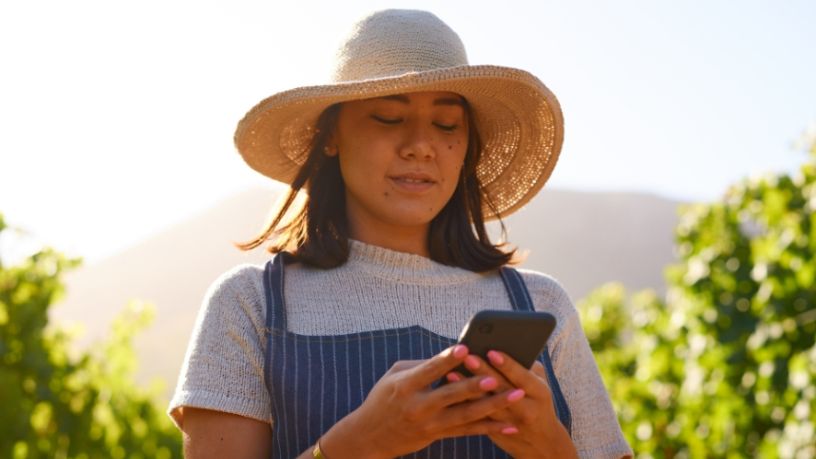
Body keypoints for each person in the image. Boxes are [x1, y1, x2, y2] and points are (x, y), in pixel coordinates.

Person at [169, 9, 633, 459]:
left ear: (466, 143)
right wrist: (353, 447)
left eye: (447, 124)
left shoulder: (540, 305)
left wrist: (549, 450)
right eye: (389, 118)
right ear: (331, 135)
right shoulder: (252, 304)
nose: (421, 146)